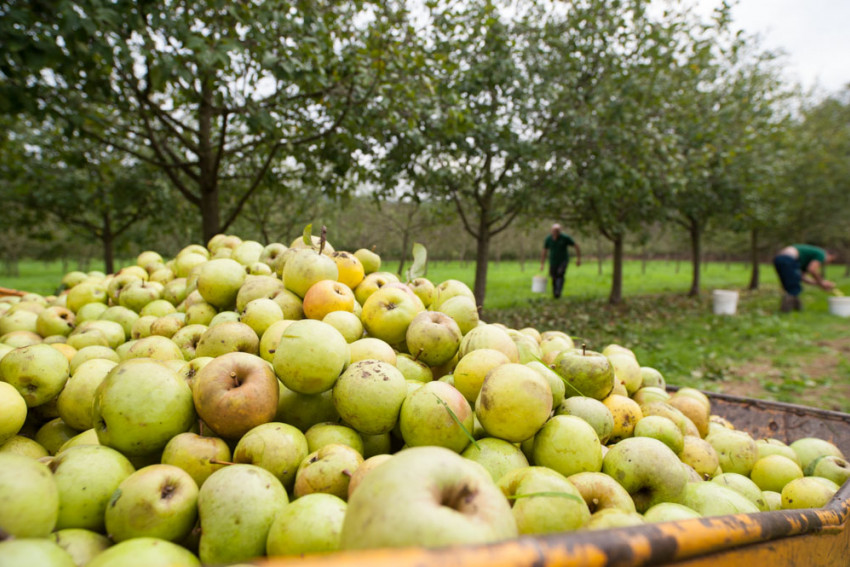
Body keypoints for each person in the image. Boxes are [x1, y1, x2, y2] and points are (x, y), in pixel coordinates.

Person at [773, 244, 837, 312]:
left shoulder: (806, 260)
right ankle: (786, 311)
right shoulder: (821, 254)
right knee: (793, 287)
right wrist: (822, 282)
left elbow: (802, 277)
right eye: (831, 260)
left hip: (779, 259)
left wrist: (818, 284)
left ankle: (796, 309)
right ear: (829, 255)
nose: (828, 263)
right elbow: (812, 270)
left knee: (791, 286)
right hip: (788, 259)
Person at [540, 223, 581, 299]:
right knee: (553, 276)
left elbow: (576, 246)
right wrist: (542, 264)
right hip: (553, 261)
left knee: (560, 274)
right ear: (551, 231)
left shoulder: (565, 238)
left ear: (560, 231)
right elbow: (544, 251)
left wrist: (578, 259)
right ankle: (555, 293)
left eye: (557, 231)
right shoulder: (548, 239)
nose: (555, 232)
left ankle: (558, 291)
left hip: (563, 260)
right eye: (554, 230)